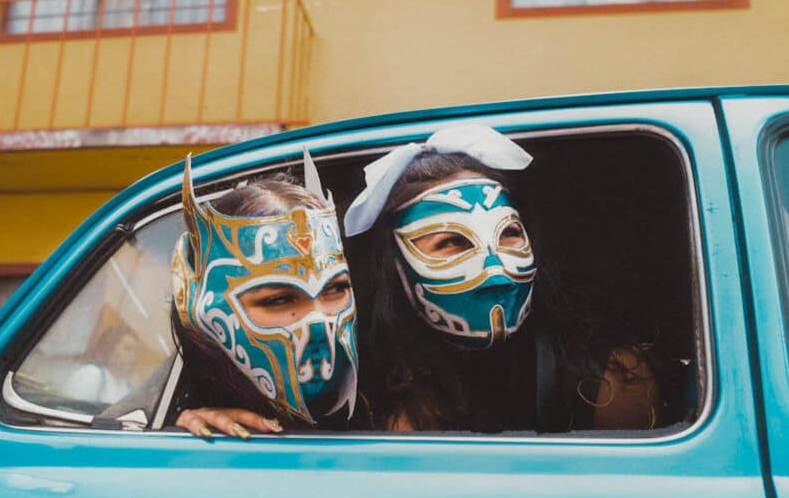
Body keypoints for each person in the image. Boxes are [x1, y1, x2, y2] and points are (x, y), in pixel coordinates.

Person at [343, 124, 661, 433]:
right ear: (395, 267)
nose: (495, 268)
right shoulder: (373, 391)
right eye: (451, 241)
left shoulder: (607, 377)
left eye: (508, 234)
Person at [170, 153, 360, 439]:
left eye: (335, 289)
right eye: (279, 300)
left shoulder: (399, 395)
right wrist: (182, 427)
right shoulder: (166, 420)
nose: (319, 319)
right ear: (199, 310)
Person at [63, 324, 140, 406]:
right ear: (111, 348)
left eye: (135, 351)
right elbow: (69, 409)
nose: (133, 356)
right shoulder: (91, 374)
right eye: (128, 349)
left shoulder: (126, 387)